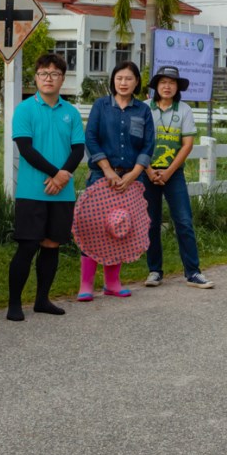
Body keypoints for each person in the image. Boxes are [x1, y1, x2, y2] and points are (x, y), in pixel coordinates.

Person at [7, 53, 81, 320]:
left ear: (63, 79)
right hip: (32, 191)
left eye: (54, 74)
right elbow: (25, 149)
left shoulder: (70, 112)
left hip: (63, 194)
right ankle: (14, 303)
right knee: (27, 247)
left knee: (52, 245)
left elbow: (78, 149)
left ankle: (42, 300)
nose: (48, 79)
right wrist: (57, 174)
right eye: (43, 74)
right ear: (36, 77)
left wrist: (63, 176)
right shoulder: (25, 109)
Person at [81, 61, 154, 300]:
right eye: (119, 78)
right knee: (92, 227)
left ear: (136, 83)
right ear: (113, 80)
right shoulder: (101, 106)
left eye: (129, 79)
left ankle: (112, 283)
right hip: (102, 176)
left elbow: (148, 144)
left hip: (131, 179)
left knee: (120, 228)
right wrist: (107, 169)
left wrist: (133, 174)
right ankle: (86, 285)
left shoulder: (142, 110)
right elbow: (91, 138)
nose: (123, 83)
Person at [143, 65, 211, 289]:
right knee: (150, 223)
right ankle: (154, 270)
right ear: (156, 86)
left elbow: (187, 144)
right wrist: (149, 170)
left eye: (171, 83)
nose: (167, 86)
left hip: (174, 174)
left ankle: (193, 272)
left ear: (177, 87)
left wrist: (169, 171)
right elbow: (138, 143)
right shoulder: (145, 109)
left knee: (183, 221)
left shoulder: (184, 109)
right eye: (163, 82)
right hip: (147, 173)